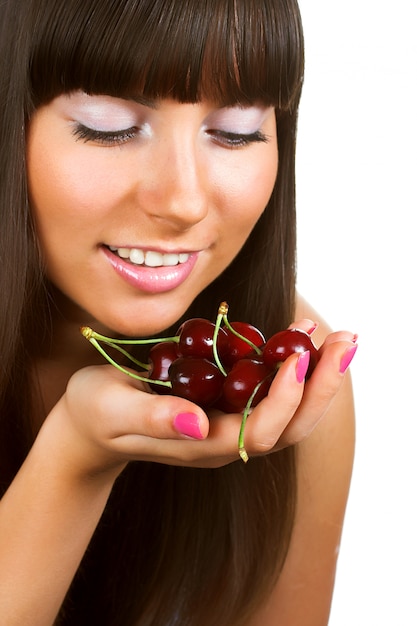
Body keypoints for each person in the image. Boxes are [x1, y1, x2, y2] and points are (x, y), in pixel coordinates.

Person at [0, 0, 356, 624]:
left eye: (237, 130)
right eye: (109, 126)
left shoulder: (289, 380)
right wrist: (75, 459)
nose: (184, 200)